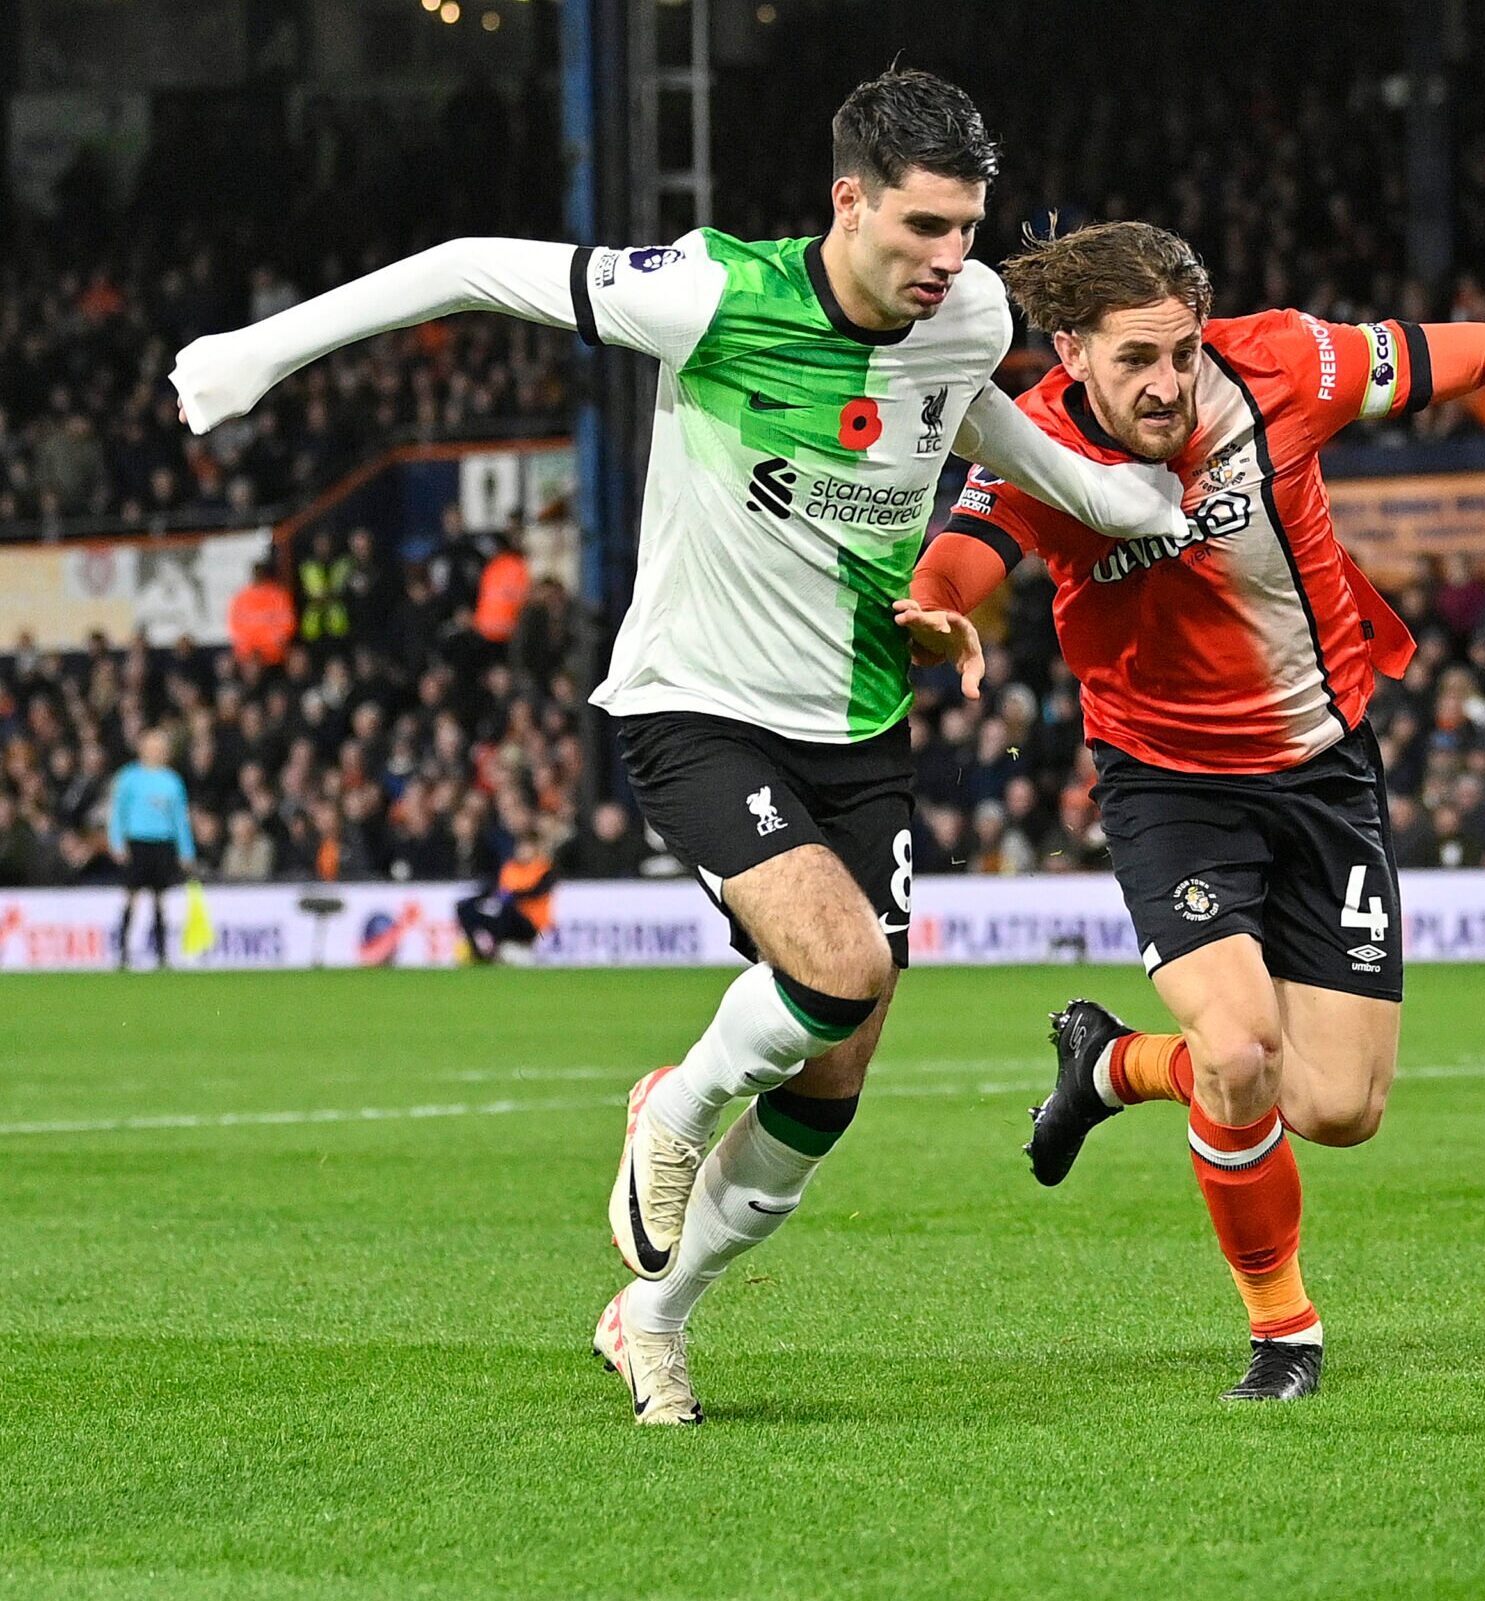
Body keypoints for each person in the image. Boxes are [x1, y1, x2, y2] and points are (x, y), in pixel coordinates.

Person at [168, 69, 1191, 1426]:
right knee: (842, 964)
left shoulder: (974, 313)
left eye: (967, 228)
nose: (951, 260)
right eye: (924, 228)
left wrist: (1102, 497)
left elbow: (968, 413)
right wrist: (259, 353)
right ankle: (672, 1108)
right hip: (695, 703)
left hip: (859, 720)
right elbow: (473, 265)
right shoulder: (715, 296)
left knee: (837, 1069)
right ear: (849, 201)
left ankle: (651, 1315)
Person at [901, 220, 1485, 1400]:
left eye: (1180, 350)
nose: (1167, 382)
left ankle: (1112, 1062)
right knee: (1238, 1051)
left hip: (1325, 771)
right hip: (1169, 786)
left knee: (1334, 1107)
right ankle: (1283, 1333)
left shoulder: (1284, 364)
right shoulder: (1037, 443)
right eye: (1135, 360)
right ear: (1068, 348)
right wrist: (936, 602)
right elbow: (969, 550)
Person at [106, 727, 197, 970]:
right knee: (131, 897)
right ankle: (123, 952)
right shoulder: (128, 777)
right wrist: (117, 842)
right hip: (137, 842)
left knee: (160, 900)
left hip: (163, 843)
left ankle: (162, 954)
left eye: (160, 747)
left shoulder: (172, 781)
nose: (156, 751)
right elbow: (117, 813)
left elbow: (180, 818)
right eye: (152, 746)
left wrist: (186, 851)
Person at [456, 809, 558, 964]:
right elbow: (495, 889)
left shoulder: (544, 870)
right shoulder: (509, 868)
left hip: (531, 925)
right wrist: (475, 900)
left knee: (507, 909)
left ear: (536, 849)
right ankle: (477, 952)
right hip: (506, 918)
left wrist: (512, 895)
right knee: (465, 908)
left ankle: (495, 952)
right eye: (520, 847)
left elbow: (537, 891)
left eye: (527, 848)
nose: (522, 852)